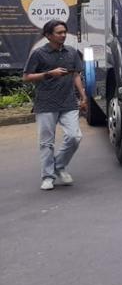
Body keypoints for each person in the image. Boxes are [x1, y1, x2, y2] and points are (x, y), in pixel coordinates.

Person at [23, 20, 87, 190]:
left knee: (75, 137)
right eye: (59, 32)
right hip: (46, 103)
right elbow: (27, 77)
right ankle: (47, 176)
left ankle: (58, 165)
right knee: (46, 143)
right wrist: (49, 74)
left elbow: (75, 76)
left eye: (64, 31)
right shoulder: (38, 53)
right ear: (48, 35)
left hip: (68, 102)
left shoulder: (72, 52)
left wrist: (83, 96)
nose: (63, 35)